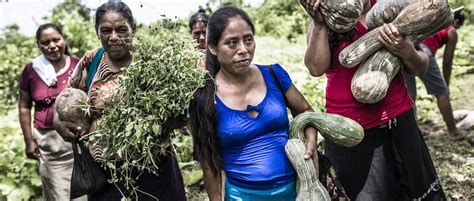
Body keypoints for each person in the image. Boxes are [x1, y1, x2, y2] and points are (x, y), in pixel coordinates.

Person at [301, 0, 446, 200]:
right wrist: (319, 24)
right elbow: (316, 68)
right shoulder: (329, 14)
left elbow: (420, 66)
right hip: (350, 132)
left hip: (399, 121)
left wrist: (406, 50)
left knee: (416, 191)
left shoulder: (389, 9)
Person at [52, 2, 186, 200]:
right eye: (106, 30)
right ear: (97, 32)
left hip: (153, 171)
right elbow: (67, 98)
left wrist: (162, 119)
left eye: (121, 29)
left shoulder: (152, 62)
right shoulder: (91, 60)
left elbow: (181, 116)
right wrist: (58, 122)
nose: (113, 37)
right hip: (106, 176)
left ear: (134, 28)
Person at [189, 6, 319, 200]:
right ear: (213, 47)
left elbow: (306, 111)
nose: (243, 50)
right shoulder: (205, 96)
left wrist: (311, 139)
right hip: (241, 195)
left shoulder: (274, 75)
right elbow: (208, 162)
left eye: (248, 39)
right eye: (232, 43)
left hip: (295, 191)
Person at [18, 23, 83, 200]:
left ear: (64, 39)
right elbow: (24, 107)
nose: (52, 46)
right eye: (45, 42)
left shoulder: (78, 66)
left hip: (78, 144)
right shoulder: (31, 71)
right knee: (58, 194)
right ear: (38, 45)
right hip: (50, 147)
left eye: (56, 40)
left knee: (84, 192)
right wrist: (29, 141)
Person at [405, 8, 466, 140]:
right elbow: (447, 62)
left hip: (407, 48)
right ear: (455, 21)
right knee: (441, 93)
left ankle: (414, 133)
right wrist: (445, 85)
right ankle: (454, 132)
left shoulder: (434, 21)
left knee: (409, 95)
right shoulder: (451, 30)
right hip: (423, 53)